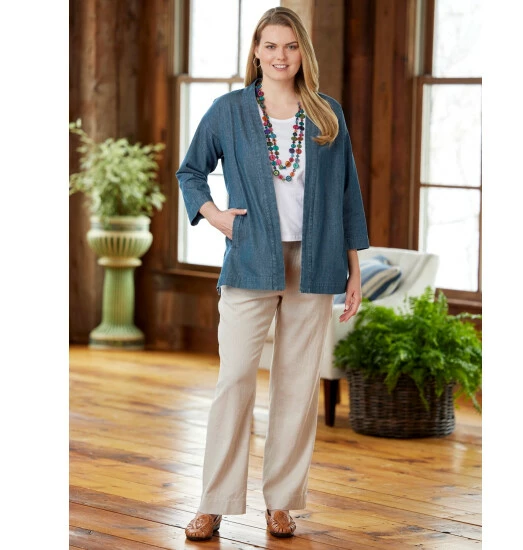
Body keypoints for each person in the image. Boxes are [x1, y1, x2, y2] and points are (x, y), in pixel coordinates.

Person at [175, 6, 369, 542]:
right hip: (249, 259)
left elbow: (348, 195)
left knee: (297, 386)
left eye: (290, 46)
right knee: (234, 379)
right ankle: (213, 502)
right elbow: (190, 171)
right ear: (257, 53)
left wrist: (354, 270)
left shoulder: (327, 114)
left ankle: (280, 502)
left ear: (303, 51)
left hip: (317, 261)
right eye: (271, 46)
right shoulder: (230, 110)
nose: (281, 55)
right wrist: (214, 215)